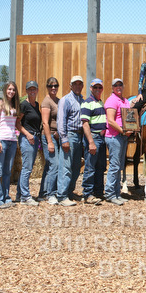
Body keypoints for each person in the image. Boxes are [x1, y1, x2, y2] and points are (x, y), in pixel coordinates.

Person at [55, 75, 85, 207]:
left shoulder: (82, 100)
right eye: (75, 84)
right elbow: (61, 121)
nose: (78, 86)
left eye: (80, 84)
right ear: (70, 86)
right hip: (70, 135)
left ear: (82, 86)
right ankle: (62, 195)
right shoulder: (65, 100)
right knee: (66, 166)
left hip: (79, 136)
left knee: (76, 167)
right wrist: (64, 139)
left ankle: (69, 192)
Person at [0, 81, 20, 209]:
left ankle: (6, 198)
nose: (11, 92)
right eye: (9, 89)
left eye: (13, 89)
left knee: (7, 171)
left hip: (12, 141)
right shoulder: (0, 104)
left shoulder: (15, 106)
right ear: (5, 90)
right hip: (1, 140)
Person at [104, 78, 134, 205]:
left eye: (120, 84)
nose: (118, 87)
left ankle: (116, 193)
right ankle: (109, 193)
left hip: (122, 136)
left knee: (119, 166)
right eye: (116, 85)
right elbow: (111, 121)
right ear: (112, 87)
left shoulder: (125, 101)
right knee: (115, 166)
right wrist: (122, 131)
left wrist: (131, 128)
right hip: (114, 136)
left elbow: (130, 117)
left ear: (123, 86)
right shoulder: (112, 100)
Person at [80, 78, 106, 205]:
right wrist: (91, 142)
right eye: (95, 87)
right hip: (93, 137)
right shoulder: (87, 103)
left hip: (101, 138)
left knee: (100, 167)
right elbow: (85, 124)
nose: (97, 89)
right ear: (91, 88)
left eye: (100, 87)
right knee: (90, 167)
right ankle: (87, 194)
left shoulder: (101, 103)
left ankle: (98, 192)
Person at [16, 80, 42, 206]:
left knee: (27, 167)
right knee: (27, 168)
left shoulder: (36, 105)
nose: (32, 91)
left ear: (37, 90)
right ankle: (25, 197)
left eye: (34, 89)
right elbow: (17, 123)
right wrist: (27, 134)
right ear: (26, 91)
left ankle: (19, 194)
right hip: (27, 138)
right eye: (30, 89)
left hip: (35, 138)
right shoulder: (24, 105)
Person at [38, 77, 60, 201]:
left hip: (56, 136)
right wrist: (50, 141)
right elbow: (45, 123)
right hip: (48, 136)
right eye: (51, 86)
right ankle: (51, 194)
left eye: (55, 85)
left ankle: (43, 192)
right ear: (47, 87)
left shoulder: (58, 101)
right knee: (54, 164)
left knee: (49, 165)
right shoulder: (46, 102)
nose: (53, 88)